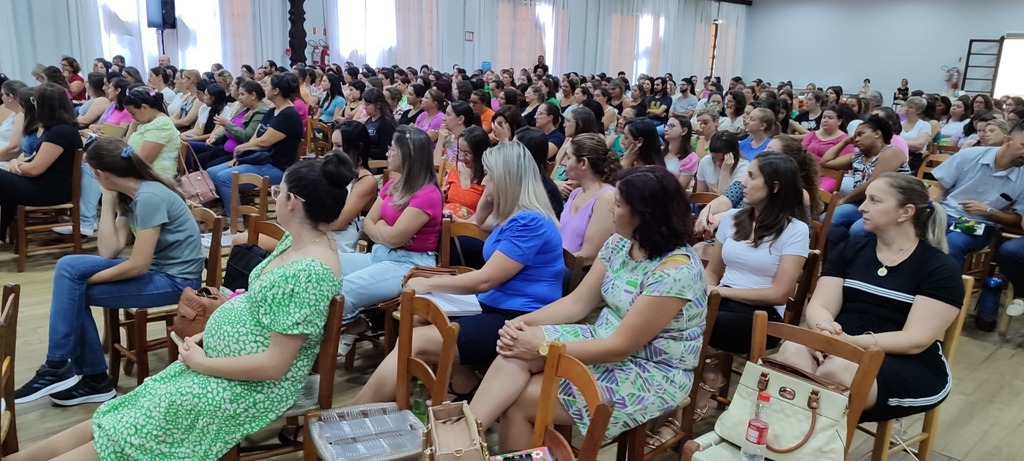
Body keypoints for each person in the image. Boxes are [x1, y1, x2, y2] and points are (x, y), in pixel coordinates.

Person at [10, 141, 349, 459]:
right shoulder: (299, 241)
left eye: (279, 191)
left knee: (133, 429)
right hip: (222, 365)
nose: (275, 197)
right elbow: (262, 307)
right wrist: (211, 336)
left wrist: (204, 363)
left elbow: (275, 366)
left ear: (293, 202)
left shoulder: (311, 271)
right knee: (120, 413)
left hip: (251, 387)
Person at [467, 165, 707, 447]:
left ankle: (462, 443)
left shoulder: (675, 271)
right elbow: (577, 303)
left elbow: (620, 348)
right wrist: (523, 324)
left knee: (519, 401)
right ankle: (462, 440)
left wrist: (541, 347)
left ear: (644, 216)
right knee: (513, 349)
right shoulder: (620, 243)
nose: (609, 211)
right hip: (604, 340)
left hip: (650, 370)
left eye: (618, 205)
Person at [350, 140, 563, 405]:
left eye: (489, 176)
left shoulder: (529, 221)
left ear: (508, 180)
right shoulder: (516, 214)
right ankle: (462, 385)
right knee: (421, 315)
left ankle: (359, 407)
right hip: (495, 304)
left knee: (414, 338)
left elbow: (485, 280)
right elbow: (483, 221)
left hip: (517, 317)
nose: (483, 183)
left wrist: (431, 283)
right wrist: (493, 192)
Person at [14, 137, 204, 406]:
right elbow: (109, 250)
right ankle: (72, 371)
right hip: (157, 270)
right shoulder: (133, 194)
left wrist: (85, 281)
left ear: (101, 173)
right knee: (68, 266)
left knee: (73, 286)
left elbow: (137, 264)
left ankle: (78, 373)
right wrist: (109, 200)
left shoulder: (149, 196)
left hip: (177, 280)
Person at [774, 173, 964, 422]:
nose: (862, 207)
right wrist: (824, 333)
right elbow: (820, 304)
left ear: (905, 212)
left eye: (874, 200)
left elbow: (915, 340)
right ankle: (789, 444)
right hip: (842, 346)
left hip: (906, 361)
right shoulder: (852, 250)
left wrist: (848, 343)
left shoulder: (938, 267)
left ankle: (799, 445)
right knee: (793, 351)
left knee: (838, 371)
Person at [335, 125, 442, 354]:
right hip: (381, 255)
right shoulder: (394, 184)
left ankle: (351, 325)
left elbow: (393, 237)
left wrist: (382, 228)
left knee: (344, 289)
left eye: (392, 149)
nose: (387, 153)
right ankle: (351, 323)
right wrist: (385, 231)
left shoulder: (428, 194)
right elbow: (369, 222)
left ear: (407, 154)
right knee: (322, 261)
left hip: (410, 265)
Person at [705, 152, 810, 354]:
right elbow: (712, 270)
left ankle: (705, 372)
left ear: (775, 186)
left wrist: (720, 292)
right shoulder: (732, 218)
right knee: (670, 309)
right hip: (721, 300)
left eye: (752, 177)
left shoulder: (795, 230)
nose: (743, 182)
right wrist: (708, 289)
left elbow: (779, 294)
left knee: (694, 322)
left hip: (762, 314)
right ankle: (705, 371)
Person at [927, 123, 1024, 277]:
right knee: (910, 233)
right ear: (1007, 141)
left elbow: (1017, 221)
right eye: (1023, 145)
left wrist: (989, 212)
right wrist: (930, 207)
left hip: (979, 224)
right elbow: (939, 187)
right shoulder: (970, 155)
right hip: (945, 213)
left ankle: (945, 293)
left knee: (952, 243)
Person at [208, 73, 303, 219]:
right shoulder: (272, 111)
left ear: (276, 91)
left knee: (224, 178)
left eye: (267, 85)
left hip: (276, 166)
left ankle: (236, 220)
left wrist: (239, 149)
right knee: (211, 172)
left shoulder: (288, 115)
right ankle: (233, 210)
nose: (263, 87)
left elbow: (264, 141)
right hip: (260, 159)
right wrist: (241, 155)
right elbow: (255, 137)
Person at [0, 83, 83, 238]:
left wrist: (13, 166)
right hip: (45, 184)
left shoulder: (61, 132)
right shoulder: (57, 129)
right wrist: (15, 164)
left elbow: (34, 169)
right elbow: (34, 161)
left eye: (35, 100)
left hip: (50, 189)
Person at [823, 115, 912, 246]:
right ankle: (846, 252)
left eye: (860, 134)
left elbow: (873, 182)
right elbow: (826, 162)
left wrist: (843, 200)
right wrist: (845, 142)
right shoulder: (858, 157)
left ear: (877, 134)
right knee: (826, 219)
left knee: (857, 230)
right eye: (855, 136)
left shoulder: (892, 152)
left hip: (890, 207)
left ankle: (858, 256)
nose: (856, 139)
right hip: (863, 204)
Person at [558, 132, 618, 267]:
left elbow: (589, 256)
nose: (563, 162)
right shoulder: (576, 193)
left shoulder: (606, 197)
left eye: (568, 157)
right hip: (561, 266)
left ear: (583, 163)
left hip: (579, 274)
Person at [189, 80, 270, 169]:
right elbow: (228, 126)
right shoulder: (245, 108)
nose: (239, 98)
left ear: (253, 95)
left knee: (209, 167)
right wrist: (215, 137)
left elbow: (247, 136)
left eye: (242, 94)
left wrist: (227, 124)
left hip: (239, 152)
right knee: (197, 159)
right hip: (225, 147)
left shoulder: (260, 113)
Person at [443, 125, 488, 219]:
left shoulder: (489, 178)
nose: (462, 157)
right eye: (460, 151)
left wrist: (459, 222)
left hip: (470, 229)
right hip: (446, 223)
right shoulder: (455, 169)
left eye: (468, 153)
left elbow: (487, 215)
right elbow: (443, 197)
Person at [662, 115, 698, 189]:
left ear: (684, 131)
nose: (666, 129)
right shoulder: (660, 152)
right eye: (666, 125)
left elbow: (680, 188)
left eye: (671, 126)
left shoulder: (690, 157)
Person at [362, 87, 398, 160]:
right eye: (364, 104)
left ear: (378, 105)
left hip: (377, 162)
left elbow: (384, 151)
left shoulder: (386, 124)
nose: (364, 107)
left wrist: (363, 151)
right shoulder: (369, 120)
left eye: (367, 105)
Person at [900, 96, 933, 172]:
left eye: (910, 107)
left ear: (918, 111)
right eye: (905, 106)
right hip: (897, 155)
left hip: (914, 159)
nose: (906, 109)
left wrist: (899, 143)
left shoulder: (925, 125)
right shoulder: (899, 124)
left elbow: (919, 145)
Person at [0, 80, 28, 160]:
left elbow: (15, 148)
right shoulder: (14, 114)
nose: (1, 98)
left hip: (8, 160)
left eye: (2, 94)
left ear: (10, 97)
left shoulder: (21, 116)